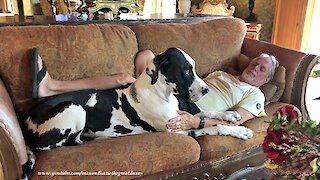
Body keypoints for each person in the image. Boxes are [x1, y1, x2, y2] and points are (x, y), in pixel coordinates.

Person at [33, 50, 279, 132]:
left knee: (123, 78)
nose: (255, 68)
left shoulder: (256, 95)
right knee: (144, 58)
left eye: (261, 69)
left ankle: (52, 87)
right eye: (254, 62)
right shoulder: (223, 75)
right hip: (174, 93)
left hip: (191, 106)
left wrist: (196, 121)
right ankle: (52, 88)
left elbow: (238, 120)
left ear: (266, 79)